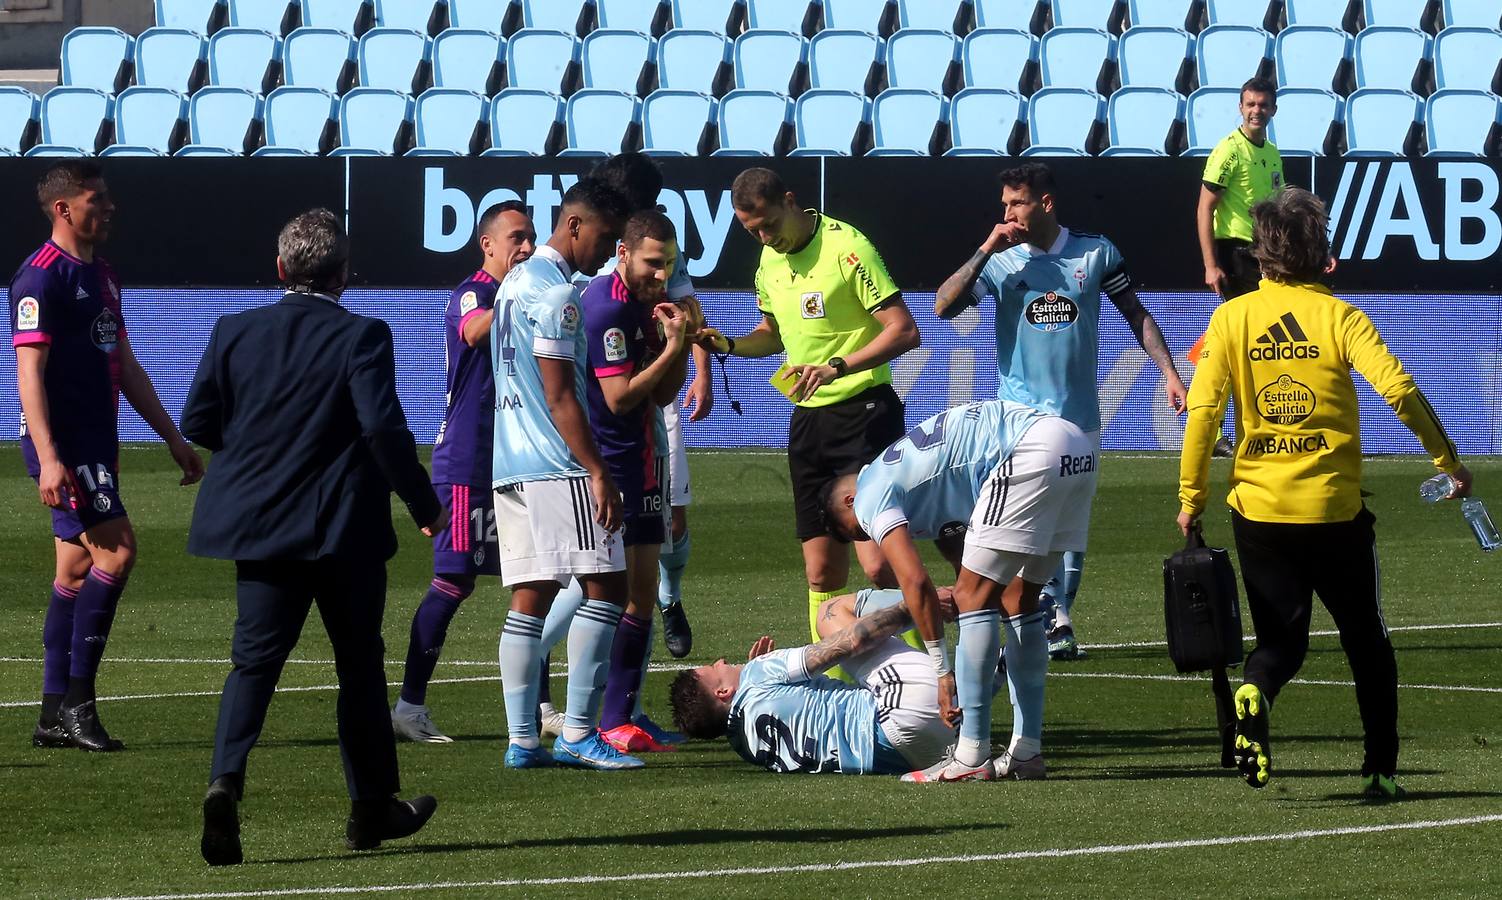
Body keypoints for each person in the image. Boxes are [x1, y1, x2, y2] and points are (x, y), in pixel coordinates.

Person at [1177, 187, 1471, 801]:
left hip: (1258, 511)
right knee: (1367, 640)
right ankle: (1380, 769)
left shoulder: (1230, 319)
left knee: (1281, 644)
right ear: (1325, 261)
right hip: (1335, 512)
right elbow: (1399, 389)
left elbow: (1203, 411)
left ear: (1260, 260)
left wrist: (1191, 497)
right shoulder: (1341, 318)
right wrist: (1448, 461)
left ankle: (1255, 688)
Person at [183, 209, 445, 866]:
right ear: (344, 275)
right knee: (358, 667)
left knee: (253, 663)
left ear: (281, 269)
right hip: (341, 529)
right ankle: (370, 807)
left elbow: (199, 420)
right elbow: (384, 431)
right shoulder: (362, 336)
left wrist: (260, 449)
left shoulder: (234, 330)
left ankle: (226, 780)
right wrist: (423, 503)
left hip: (259, 525)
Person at [934, 162, 1187, 662]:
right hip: (1017, 421)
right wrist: (986, 249)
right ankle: (1032, 612)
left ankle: (1059, 616)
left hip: (1080, 417)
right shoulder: (1002, 260)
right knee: (1014, 523)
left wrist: (1169, 372)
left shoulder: (1095, 252)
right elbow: (944, 306)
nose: (1006, 213)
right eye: (1003, 203)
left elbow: (1135, 314)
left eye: (1016, 203)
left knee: (1071, 527)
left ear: (1045, 204)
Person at [9, 161, 203, 753]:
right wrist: (48, 457)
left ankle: (50, 712)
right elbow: (28, 372)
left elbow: (123, 362)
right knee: (117, 553)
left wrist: (172, 436)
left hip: (95, 444)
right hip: (66, 447)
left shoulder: (103, 275)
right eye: (98, 199)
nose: (109, 207)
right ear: (64, 208)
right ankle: (79, 704)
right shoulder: (39, 278)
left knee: (72, 571)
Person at [700, 167, 920, 671]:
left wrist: (837, 366)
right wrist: (728, 344)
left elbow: (904, 330)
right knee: (821, 573)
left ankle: (925, 677)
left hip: (865, 414)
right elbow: (772, 334)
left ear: (791, 201)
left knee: (879, 563)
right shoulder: (767, 261)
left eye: (769, 225)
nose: (763, 237)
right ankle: (840, 687)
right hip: (808, 422)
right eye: (751, 230)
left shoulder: (849, 248)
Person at [823, 399, 1097, 781]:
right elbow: (964, 555)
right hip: (1077, 447)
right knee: (1020, 600)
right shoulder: (919, 483)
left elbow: (915, 581)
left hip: (1029, 448)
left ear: (850, 502)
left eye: (858, 530)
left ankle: (970, 756)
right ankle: (1027, 752)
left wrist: (943, 673)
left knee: (974, 598)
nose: (867, 536)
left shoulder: (870, 492)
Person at [490, 177, 641, 771]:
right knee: (609, 584)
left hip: (512, 461)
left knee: (530, 597)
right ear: (574, 226)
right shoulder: (557, 296)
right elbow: (561, 399)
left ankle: (522, 740)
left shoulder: (513, 285)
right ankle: (578, 730)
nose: (606, 251)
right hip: (559, 463)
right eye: (603, 238)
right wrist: (598, 470)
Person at [391, 200, 536, 744]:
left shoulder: (523, 295)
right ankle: (409, 706)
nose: (524, 247)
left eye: (530, 238)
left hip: (516, 461)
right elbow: (476, 329)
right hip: (466, 464)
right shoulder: (475, 292)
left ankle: (540, 705)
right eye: (516, 238)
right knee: (454, 581)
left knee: (534, 579)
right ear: (488, 244)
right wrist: (525, 296)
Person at [578, 209, 690, 753]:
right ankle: (564, 718)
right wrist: (672, 348)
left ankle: (620, 718)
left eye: (668, 264)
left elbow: (662, 395)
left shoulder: (646, 306)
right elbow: (618, 398)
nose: (661, 275)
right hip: (608, 469)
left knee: (639, 595)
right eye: (652, 263)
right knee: (596, 595)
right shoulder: (605, 306)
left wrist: (682, 342)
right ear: (623, 253)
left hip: (641, 464)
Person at [669, 590, 955, 775]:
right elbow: (851, 641)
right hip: (899, 710)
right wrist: (915, 605)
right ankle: (949, 595)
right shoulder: (759, 673)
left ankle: (995, 666)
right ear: (723, 691)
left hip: (915, 754)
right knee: (830, 613)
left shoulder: (745, 747)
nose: (720, 660)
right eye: (715, 667)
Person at [1197, 76, 1283, 302]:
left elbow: (1279, 204)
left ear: (1273, 110)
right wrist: (1211, 266)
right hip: (1236, 253)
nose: (1257, 111)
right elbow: (1205, 208)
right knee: (1245, 324)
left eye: (1263, 105)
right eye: (1251, 104)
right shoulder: (1230, 150)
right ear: (1241, 108)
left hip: (1266, 251)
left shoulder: (1272, 152)